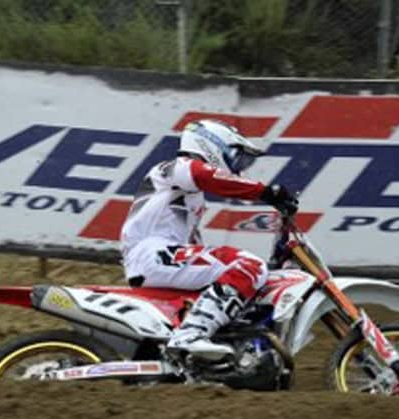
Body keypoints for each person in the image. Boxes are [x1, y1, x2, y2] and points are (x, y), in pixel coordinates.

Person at [120, 119, 297, 361]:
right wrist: (265, 191)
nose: (238, 166)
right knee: (248, 264)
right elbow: (206, 175)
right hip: (151, 254)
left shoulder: (192, 198)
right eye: (237, 157)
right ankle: (191, 334)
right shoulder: (173, 169)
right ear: (211, 146)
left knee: (247, 276)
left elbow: (195, 247)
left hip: (161, 258)